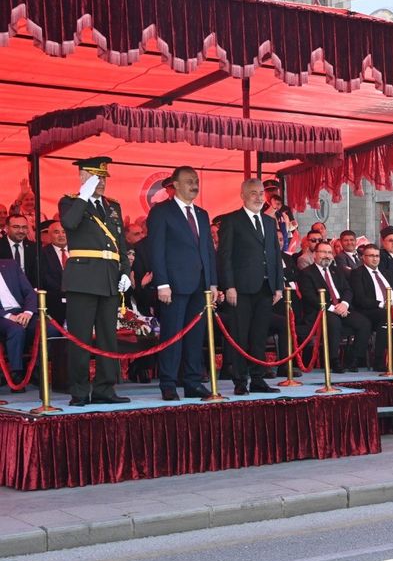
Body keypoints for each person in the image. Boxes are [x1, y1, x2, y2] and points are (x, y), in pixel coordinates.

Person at [58, 157, 132, 406]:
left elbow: (121, 243)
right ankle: (79, 391)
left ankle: (104, 388)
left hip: (110, 278)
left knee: (108, 337)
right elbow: (69, 224)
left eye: (103, 178)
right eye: (94, 177)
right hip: (83, 278)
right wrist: (83, 196)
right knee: (80, 337)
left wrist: (125, 271)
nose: (100, 182)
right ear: (82, 177)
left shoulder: (113, 206)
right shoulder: (69, 202)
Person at [146, 166, 218, 400]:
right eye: (188, 181)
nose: (194, 185)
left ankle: (192, 382)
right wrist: (161, 283)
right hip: (174, 285)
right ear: (175, 184)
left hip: (199, 285)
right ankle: (168, 383)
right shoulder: (161, 212)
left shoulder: (202, 214)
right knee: (172, 335)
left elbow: (207, 250)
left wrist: (212, 283)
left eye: (196, 180)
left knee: (196, 337)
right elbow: (156, 250)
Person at [217, 178, 284, 396]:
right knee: (240, 335)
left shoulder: (268, 222)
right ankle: (239, 380)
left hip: (265, 288)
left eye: (261, 193)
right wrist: (229, 286)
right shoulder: (232, 220)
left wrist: (278, 286)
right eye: (253, 193)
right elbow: (225, 256)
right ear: (243, 195)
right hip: (241, 289)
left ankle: (258, 379)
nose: (258, 197)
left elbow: (275, 255)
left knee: (259, 336)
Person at [298, 241, 371, 372]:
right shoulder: (306, 273)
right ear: (315, 254)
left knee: (364, 322)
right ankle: (334, 360)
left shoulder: (337, 271)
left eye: (329, 252)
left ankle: (353, 359)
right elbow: (310, 297)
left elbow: (348, 290)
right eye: (323, 252)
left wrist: (344, 304)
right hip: (320, 311)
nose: (327, 255)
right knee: (333, 321)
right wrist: (333, 308)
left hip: (342, 308)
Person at [348, 243, 393, 370]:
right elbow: (360, 298)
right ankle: (379, 360)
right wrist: (382, 304)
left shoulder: (387, 273)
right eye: (371, 256)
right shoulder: (357, 273)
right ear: (363, 257)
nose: (375, 259)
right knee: (385, 317)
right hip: (368, 310)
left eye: (377, 256)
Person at [0, 258, 37, 392]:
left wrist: (28, 312)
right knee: (16, 330)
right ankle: (17, 374)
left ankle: (38, 371)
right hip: (2, 315)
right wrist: (10, 316)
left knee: (48, 329)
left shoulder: (10, 265)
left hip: (22, 311)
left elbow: (29, 292)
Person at [40, 221, 68, 325]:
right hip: (54, 304)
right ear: (49, 235)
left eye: (64, 232)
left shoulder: (78, 252)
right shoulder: (42, 254)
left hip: (78, 300)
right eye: (56, 232)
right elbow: (45, 279)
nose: (61, 235)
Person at [0, 213, 38, 286]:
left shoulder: (34, 248)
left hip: (29, 291)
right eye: (16, 227)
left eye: (24, 227)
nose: (21, 231)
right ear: (7, 228)